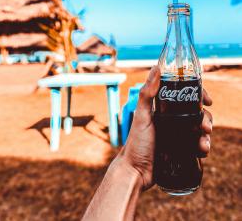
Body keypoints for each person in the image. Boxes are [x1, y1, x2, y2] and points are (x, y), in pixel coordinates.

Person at [82, 66, 213, 220]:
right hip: (164, 161)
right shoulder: (166, 71)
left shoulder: (186, 68)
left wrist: (131, 168)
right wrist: (132, 166)